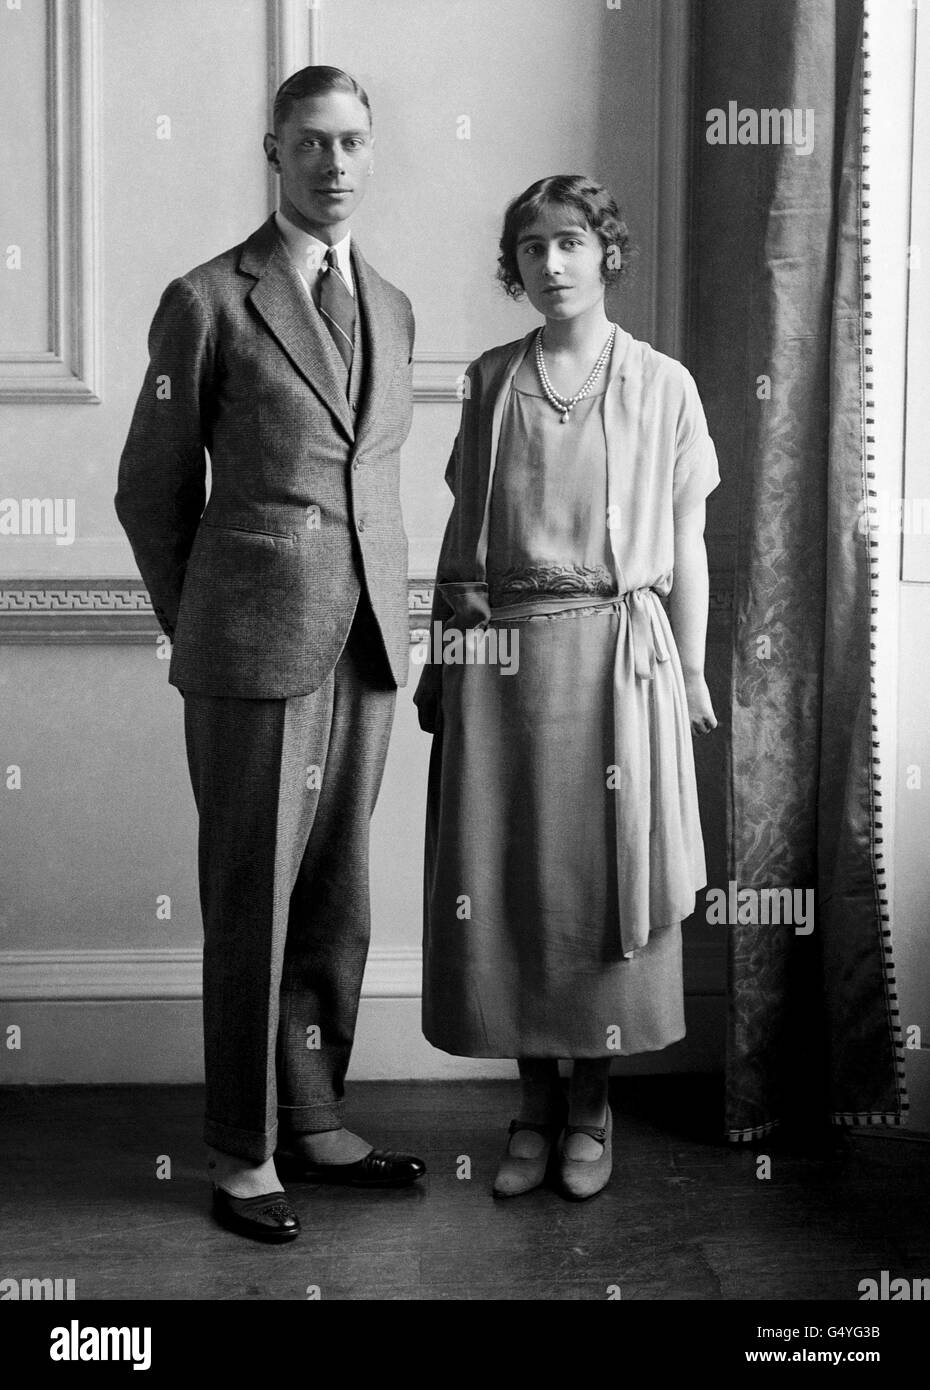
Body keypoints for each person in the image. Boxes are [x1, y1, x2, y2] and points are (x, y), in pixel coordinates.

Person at [115, 66, 426, 1244]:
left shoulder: (392, 304)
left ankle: (313, 1114)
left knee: (337, 895)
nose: (335, 163)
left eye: (352, 142)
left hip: (368, 647)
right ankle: (241, 1154)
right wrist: (205, 619)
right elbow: (149, 488)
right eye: (312, 142)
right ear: (273, 151)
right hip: (251, 646)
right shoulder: (207, 298)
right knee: (252, 901)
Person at [414, 175, 719, 1201]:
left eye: (572, 243)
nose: (552, 263)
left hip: (617, 659)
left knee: (599, 880)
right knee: (508, 879)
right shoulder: (492, 379)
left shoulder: (663, 383)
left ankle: (593, 1101)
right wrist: (439, 664)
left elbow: (688, 542)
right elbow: (463, 545)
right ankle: (533, 1099)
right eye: (533, 248)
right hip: (502, 661)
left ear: (607, 252)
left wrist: (694, 666)